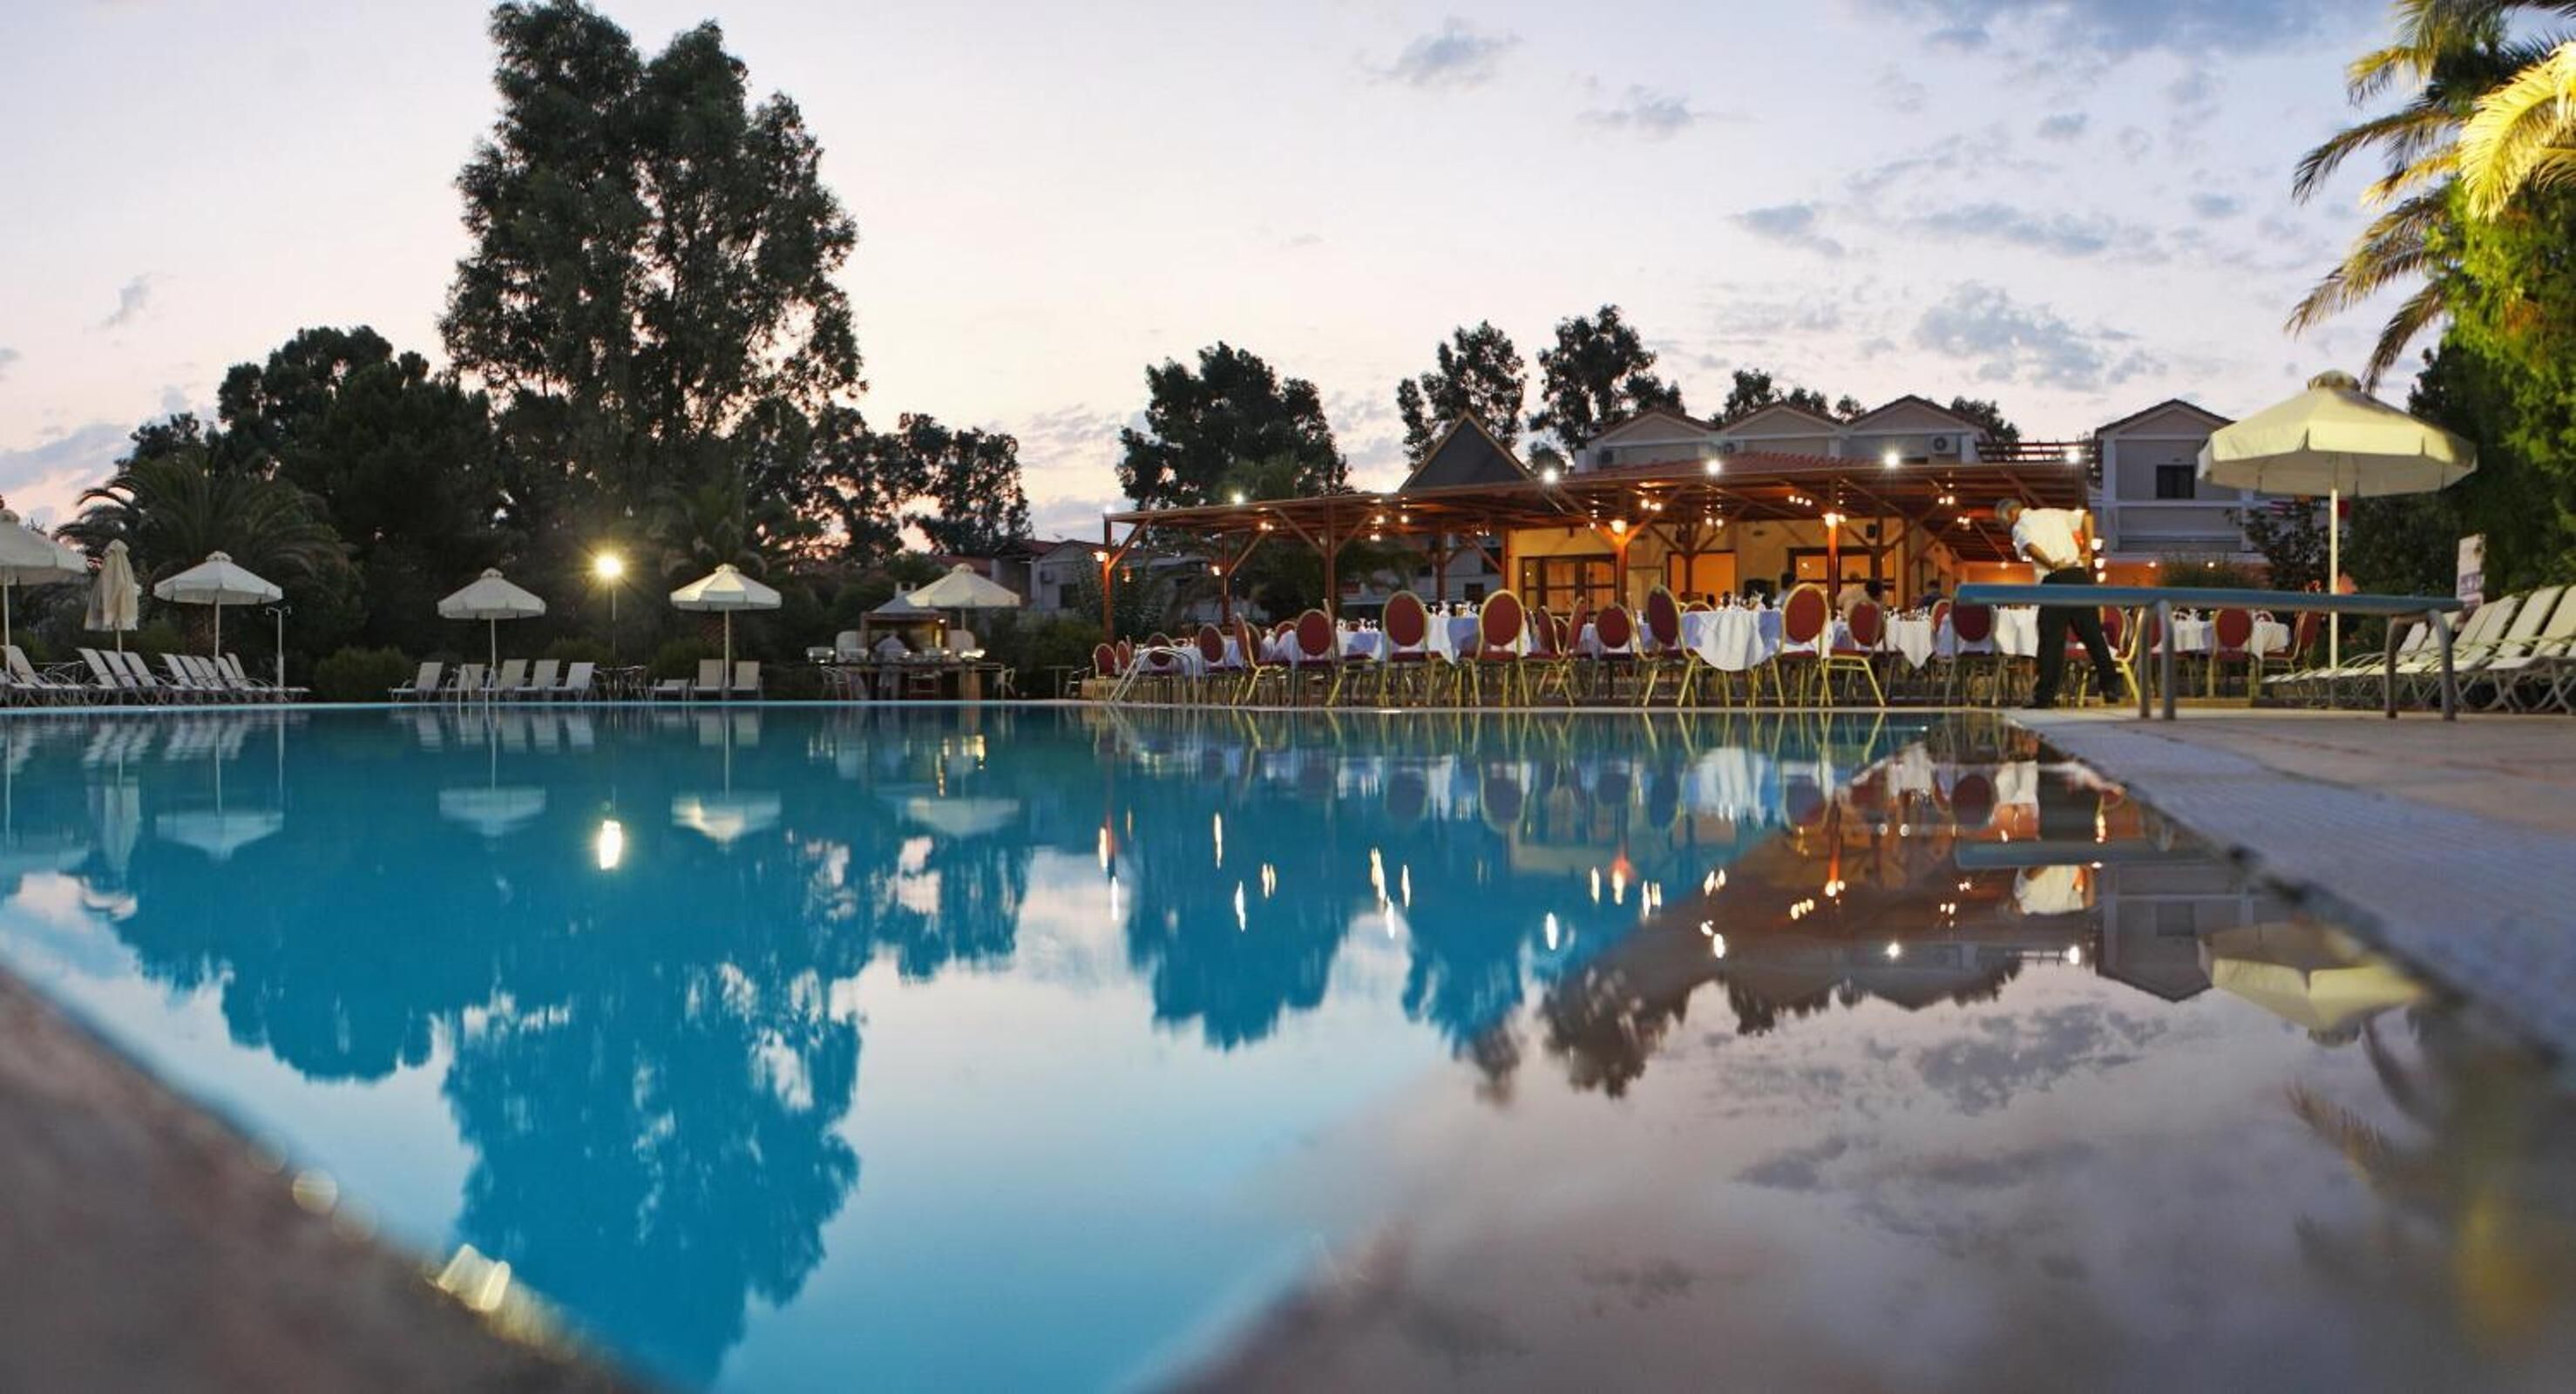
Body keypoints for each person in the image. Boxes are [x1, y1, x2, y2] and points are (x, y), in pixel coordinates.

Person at [1995, 498, 2121, 708]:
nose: (2004, 528)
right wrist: (2088, 551)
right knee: (2092, 635)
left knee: (2051, 641)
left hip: (2055, 579)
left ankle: (2044, 696)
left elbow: (2031, 547)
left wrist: (2052, 565)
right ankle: (2110, 685)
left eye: (2002, 523)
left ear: (2009, 515)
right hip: (2080, 577)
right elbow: (2087, 517)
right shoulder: (2051, 512)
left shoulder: (2021, 525)